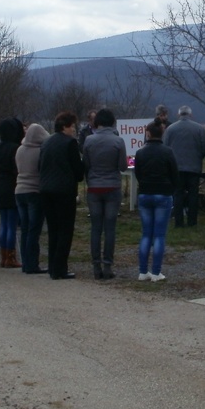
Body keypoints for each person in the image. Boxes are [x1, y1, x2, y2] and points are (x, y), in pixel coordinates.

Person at [83, 108, 128, 280]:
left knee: (96, 228)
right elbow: (123, 166)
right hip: (112, 187)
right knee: (110, 228)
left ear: (97, 122)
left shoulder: (89, 140)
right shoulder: (118, 141)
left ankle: (96, 266)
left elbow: (85, 164)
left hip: (94, 187)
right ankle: (108, 265)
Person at [39, 111, 85, 280]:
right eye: (72, 126)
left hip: (45, 190)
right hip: (64, 191)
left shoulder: (46, 142)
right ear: (65, 126)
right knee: (65, 230)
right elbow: (78, 172)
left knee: (53, 229)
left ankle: (52, 266)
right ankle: (60, 268)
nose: (74, 130)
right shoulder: (70, 143)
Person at [134, 119, 178, 282]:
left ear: (148, 134)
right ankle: (156, 272)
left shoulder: (140, 152)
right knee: (159, 235)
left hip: (145, 193)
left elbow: (137, 173)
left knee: (146, 234)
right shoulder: (168, 152)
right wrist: (170, 189)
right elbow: (175, 174)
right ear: (162, 134)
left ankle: (142, 271)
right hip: (163, 194)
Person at [163, 105, 205, 228]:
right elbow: (204, 147)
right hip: (194, 167)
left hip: (176, 168)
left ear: (179, 115)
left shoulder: (170, 129)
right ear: (190, 114)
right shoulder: (199, 129)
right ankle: (192, 221)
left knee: (178, 194)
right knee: (193, 194)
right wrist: (198, 157)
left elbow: (166, 148)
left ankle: (179, 221)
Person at [15, 123, 51, 274]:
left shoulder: (20, 149)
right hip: (34, 191)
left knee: (24, 229)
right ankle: (32, 265)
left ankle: (25, 262)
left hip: (19, 191)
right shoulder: (40, 151)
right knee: (33, 231)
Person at [0, 118, 25, 268]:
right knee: (12, 224)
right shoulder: (15, 148)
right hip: (12, 186)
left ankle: (4, 256)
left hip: (0, 185)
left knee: (4, 223)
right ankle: (11, 257)